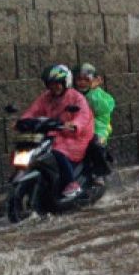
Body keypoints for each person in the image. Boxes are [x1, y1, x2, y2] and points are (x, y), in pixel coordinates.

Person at [21, 64, 94, 200]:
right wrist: (24, 121)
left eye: (58, 83)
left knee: (58, 151)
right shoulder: (46, 97)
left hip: (76, 135)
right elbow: (33, 110)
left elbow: (83, 115)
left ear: (65, 83)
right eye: (51, 84)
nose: (54, 87)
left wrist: (74, 125)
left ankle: (72, 184)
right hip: (56, 132)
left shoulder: (76, 97)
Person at [75, 63, 115, 185]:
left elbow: (103, 108)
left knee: (95, 144)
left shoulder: (98, 94)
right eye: (79, 80)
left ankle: (99, 173)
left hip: (98, 128)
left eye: (85, 80)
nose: (82, 83)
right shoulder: (71, 94)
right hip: (78, 126)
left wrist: (91, 92)